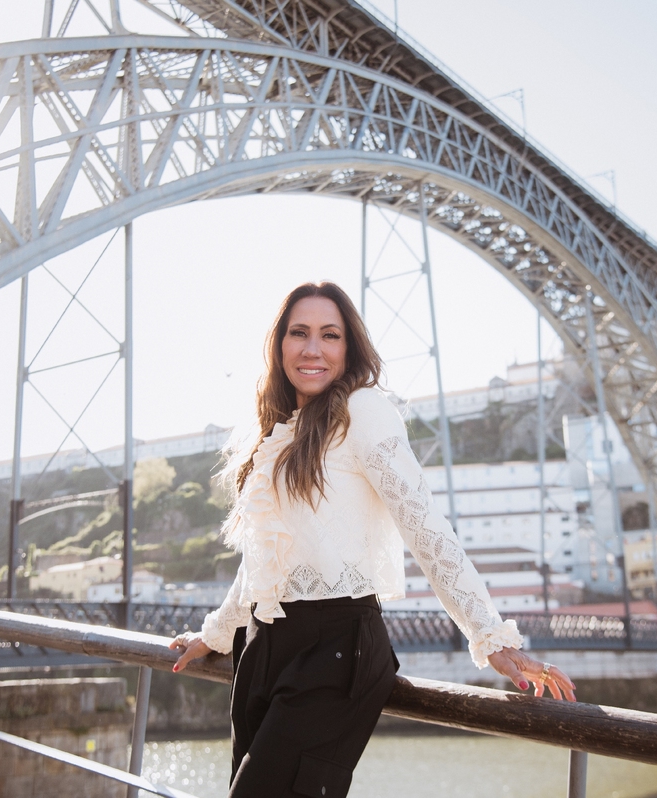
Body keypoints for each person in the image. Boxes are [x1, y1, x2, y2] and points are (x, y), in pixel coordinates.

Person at [170, 281, 575, 797]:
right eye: (299, 333)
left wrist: (490, 635)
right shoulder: (280, 430)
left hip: (335, 650)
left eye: (329, 335)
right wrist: (217, 632)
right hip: (261, 648)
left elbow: (424, 525)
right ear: (279, 345)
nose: (313, 348)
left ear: (349, 347)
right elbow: (264, 558)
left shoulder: (363, 411)